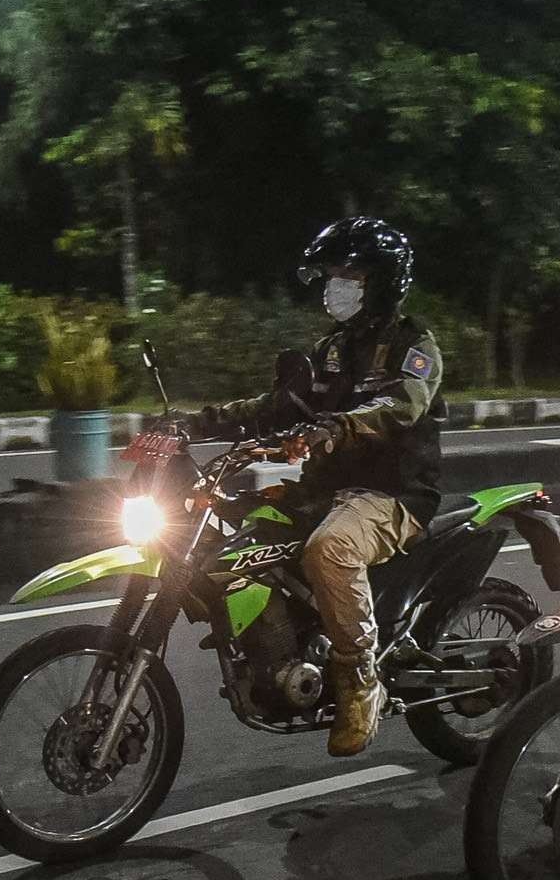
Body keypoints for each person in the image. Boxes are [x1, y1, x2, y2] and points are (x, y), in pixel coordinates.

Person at [166, 216, 445, 757]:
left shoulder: (415, 345)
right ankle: (274, 647)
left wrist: (337, 425)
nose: (333, 286)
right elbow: (276, 408)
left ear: (381, 281)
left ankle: (360, 682)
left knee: (330, 549)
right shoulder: (331, 351)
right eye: (331, 274)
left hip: (392, 495)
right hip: (323, 492)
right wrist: (195, 423)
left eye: (347, 273)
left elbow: (401, 404)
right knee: (235, 549)